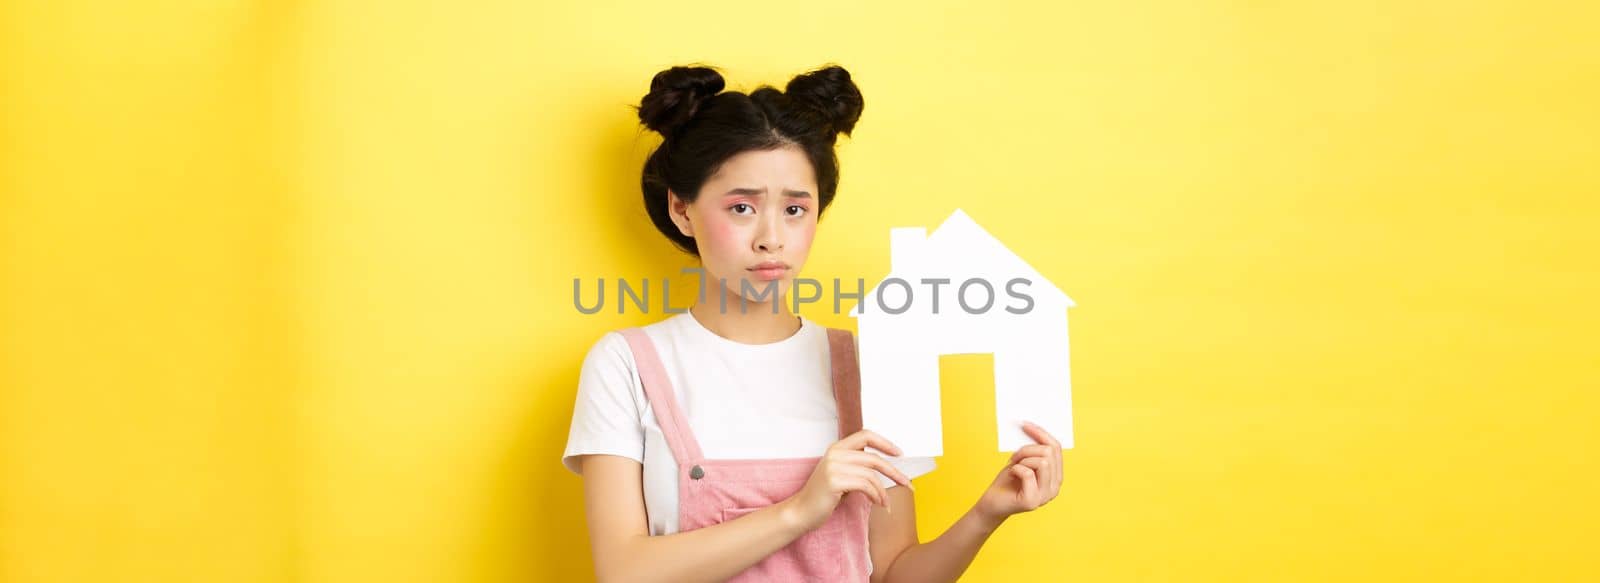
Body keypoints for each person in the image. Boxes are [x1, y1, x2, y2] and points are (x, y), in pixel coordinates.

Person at [561, 63, 1065, 582]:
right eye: (741, 207)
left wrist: (987, 514)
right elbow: (624, 573)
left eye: (796, 209)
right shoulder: (627, 363)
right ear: (682, 209)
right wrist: (801, 509)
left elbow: (893, 575)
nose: (771, 237)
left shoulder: (870, 364)